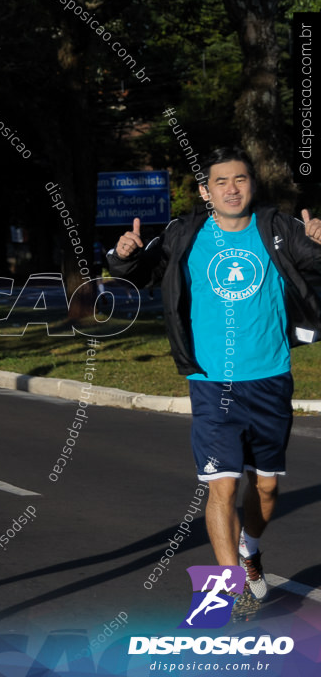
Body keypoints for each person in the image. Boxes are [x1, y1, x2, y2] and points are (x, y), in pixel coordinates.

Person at [108, 147, 321, 618]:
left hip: (269, 378)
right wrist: (122, 256)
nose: (231, 188)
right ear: (206, 191)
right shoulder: (185, 234)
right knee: (222, 486)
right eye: (220, 181)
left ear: (251, 184)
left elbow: (315, 264)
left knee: (265, 489)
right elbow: (139, 273)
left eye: (240, 179)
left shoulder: (277, 229)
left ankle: (250, 549)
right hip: (210, 383)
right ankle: (230, 591)